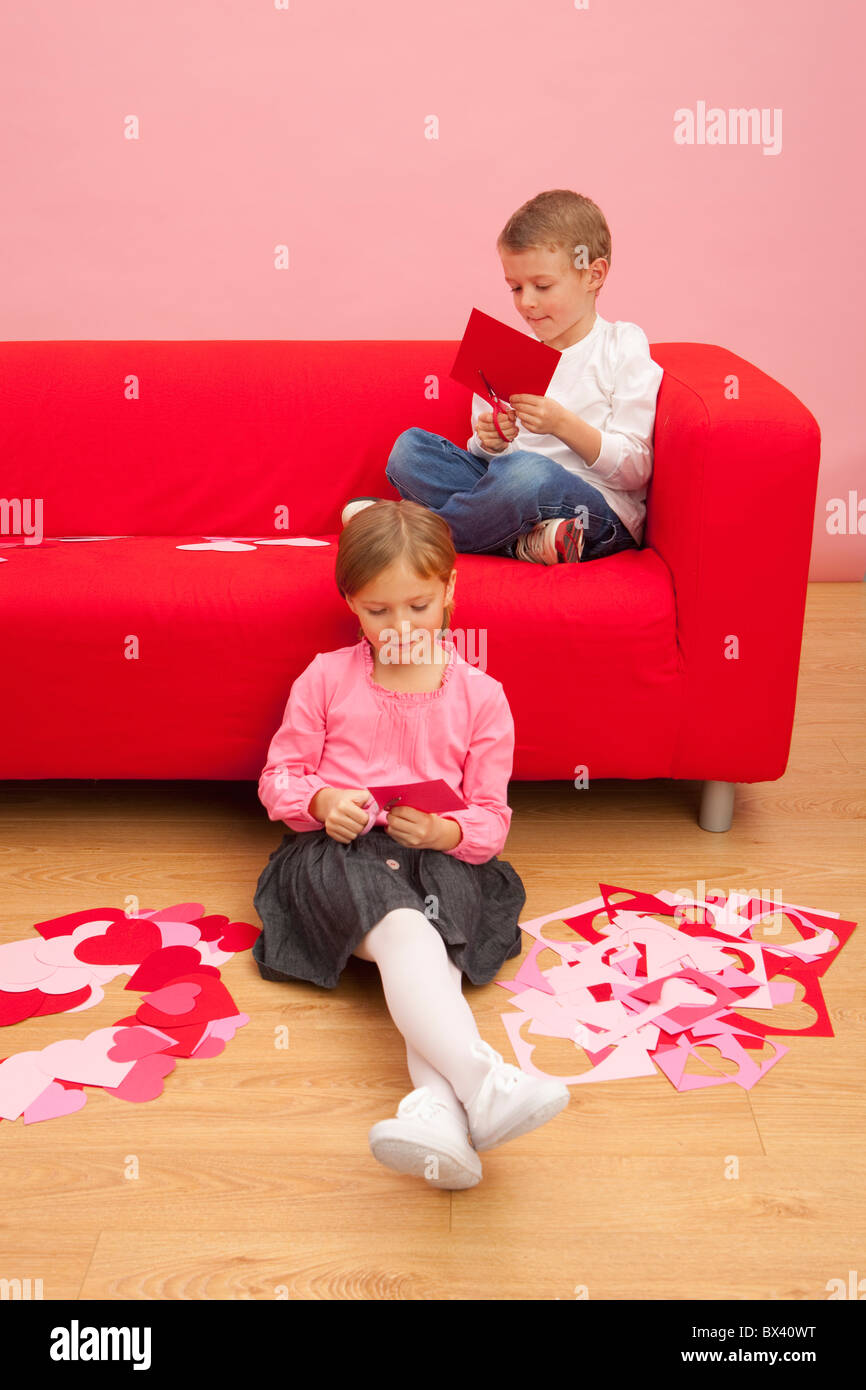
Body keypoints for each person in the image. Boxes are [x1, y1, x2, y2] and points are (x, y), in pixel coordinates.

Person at [252, 499, 570, 1190]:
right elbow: (278, 778)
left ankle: (436, 1115)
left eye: (419, 607)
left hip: (437, 852)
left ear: (452, 589)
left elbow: (490, 819)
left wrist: (445, 831)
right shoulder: (325, 679)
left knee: (432, 929)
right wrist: (321, 800)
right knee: (407, 933)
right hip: (339, 858)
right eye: (378, 612)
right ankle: (485, 1079)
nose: (400, 629)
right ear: (351, 605)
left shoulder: (483, 698)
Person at [343, 188, 664, 564]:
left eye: (542, 286)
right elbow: (492, 464)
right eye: (515, 287)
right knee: (410, 451)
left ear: (593, 274)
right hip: (513, 494)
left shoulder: (622, 344)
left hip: (595, 513)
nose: (526, 302)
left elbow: (636, 471)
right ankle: (522, 544)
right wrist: (489, 442)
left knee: (526, 473)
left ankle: (413, 535)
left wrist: (563, 425)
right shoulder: (509, 354)